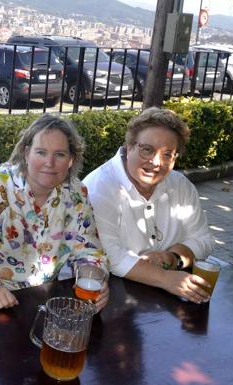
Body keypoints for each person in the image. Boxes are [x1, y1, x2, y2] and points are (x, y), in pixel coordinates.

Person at [0, 114, 109, 311]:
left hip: (44, 301)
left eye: (60, 154)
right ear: (26, 153)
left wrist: (94, 277)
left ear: (71, 159)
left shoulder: (76, 193)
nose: (50, 162)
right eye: (41, 152)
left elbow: (88, 248)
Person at [83, 107, 214, 304]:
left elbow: (204, 239)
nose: (155, 162)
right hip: (112, 300)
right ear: (129, 147)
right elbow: (111, 256)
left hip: (169, 301)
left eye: (167, 154)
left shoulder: (180, 185)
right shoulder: (99, 187)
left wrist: (173, 257)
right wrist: (167, 279)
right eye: (147, 149)